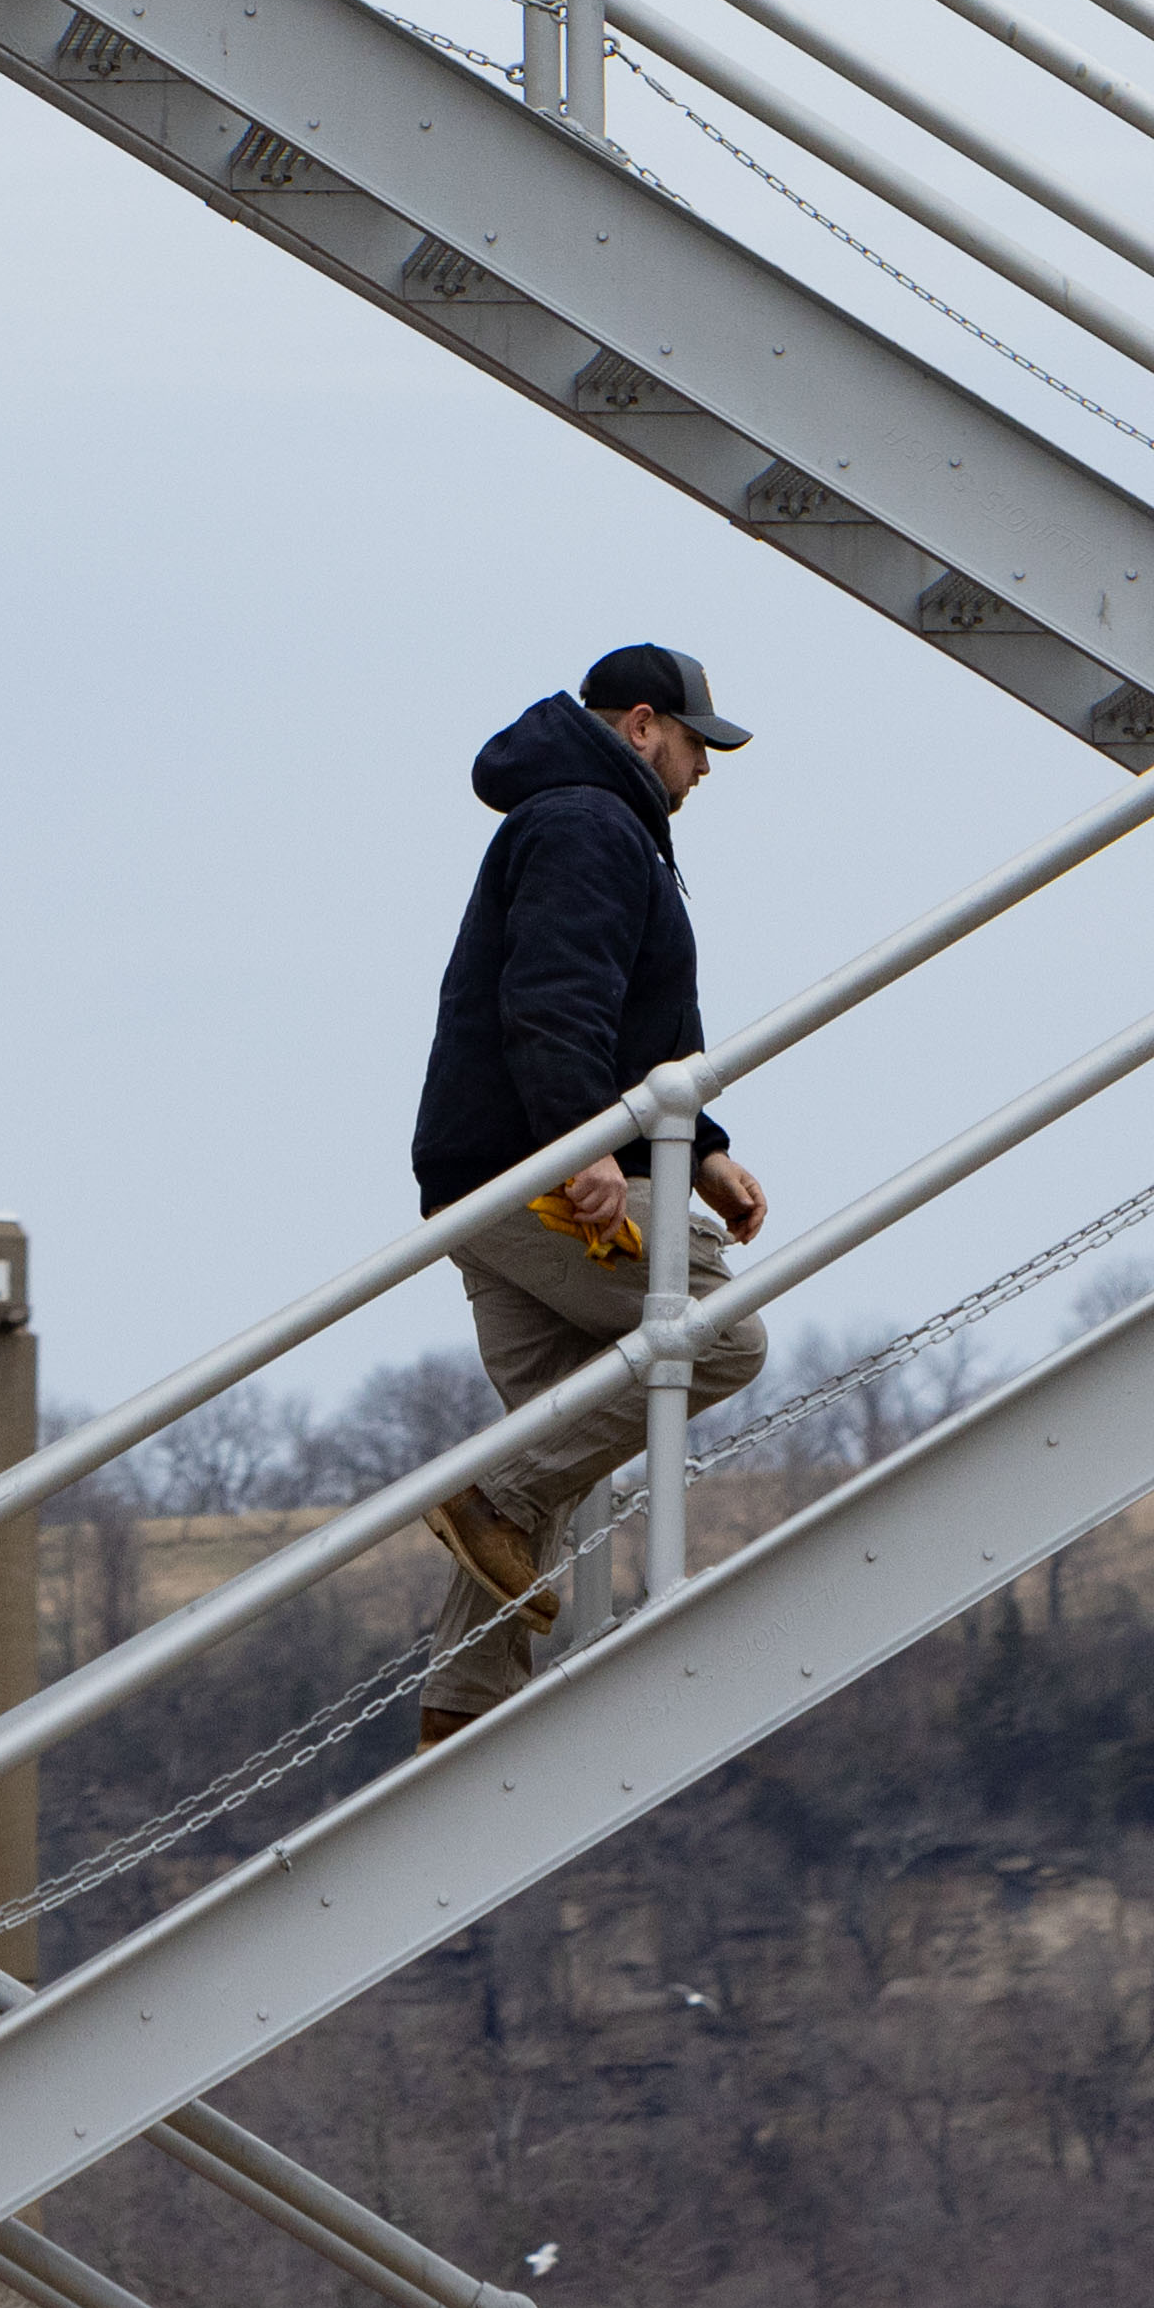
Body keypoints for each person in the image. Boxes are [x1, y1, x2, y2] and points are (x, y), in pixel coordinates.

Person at [401, 640, 772, 1744]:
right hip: (539, 1179)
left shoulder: (595, 825)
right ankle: (493, 1501)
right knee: (721, 1334)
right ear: (645, 724)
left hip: (498, 1171)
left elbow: (635, 1030)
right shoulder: (586, 823)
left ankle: (460, 1713)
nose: (706, 769)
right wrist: (584, 1145)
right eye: (701, 744)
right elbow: (557, 998)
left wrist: (696, 1148)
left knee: (555, 1428)